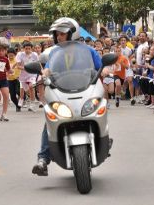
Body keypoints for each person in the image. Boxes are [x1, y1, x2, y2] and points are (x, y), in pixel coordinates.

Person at [32, 17, 102, 176]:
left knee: (100, 108)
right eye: (56, 35)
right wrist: (44, 74)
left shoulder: (88, 50)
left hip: (85, 90)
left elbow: (100, 67)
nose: (58, 38)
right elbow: (48, 69)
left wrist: (104, 71)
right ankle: (43, 159)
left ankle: (102, 137)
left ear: (72, 33)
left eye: (62, 34)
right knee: (50, 118)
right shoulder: (55, 52)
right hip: (62, 91)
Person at [16, 41, 39, 112]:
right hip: (23, 76)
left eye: (29, 49)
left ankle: (32, 104)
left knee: (31, 86)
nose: (27, 50)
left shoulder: (34, 55)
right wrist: (26, 68)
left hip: (32, 74)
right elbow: (18, 66)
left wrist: (41, 71)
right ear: (23, 49)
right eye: (26, 49)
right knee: (28, 91)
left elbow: (38, 64)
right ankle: (32, 99)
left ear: (31, 49)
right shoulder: (20, 55)